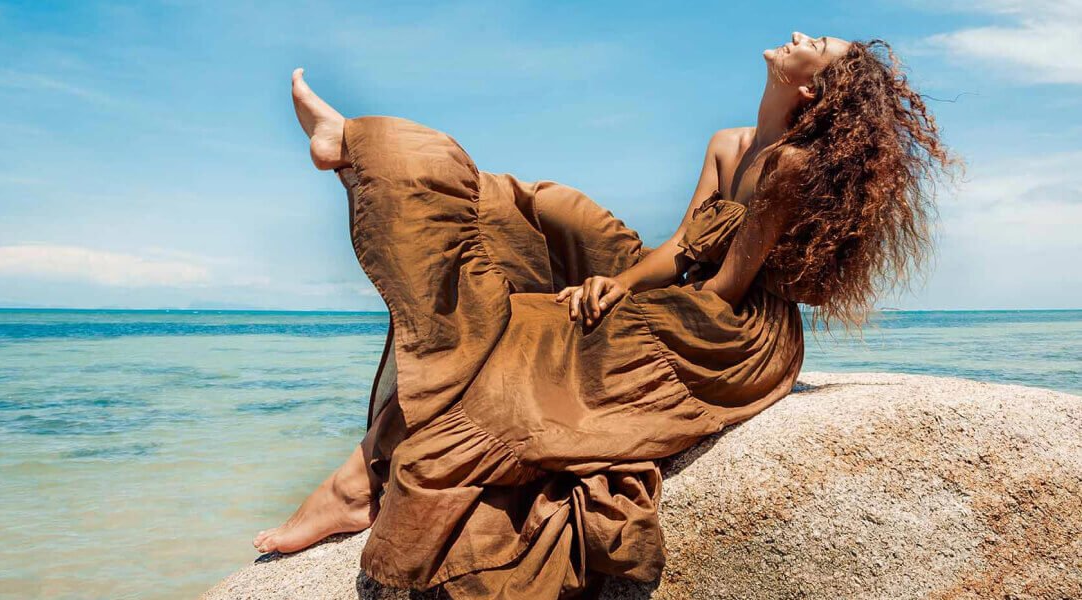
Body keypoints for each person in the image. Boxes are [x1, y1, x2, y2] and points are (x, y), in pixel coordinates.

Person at [252, 32, 952, 598]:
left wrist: (620, 304)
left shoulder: (790, 166)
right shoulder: (727, 142)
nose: (799, 33)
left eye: (816, 44)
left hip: (733, 332)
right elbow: (679, 249)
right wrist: (616, 281)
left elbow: (725, 287)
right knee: (540, 209)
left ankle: (356, 483)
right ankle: (356, 150)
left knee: (536, 336)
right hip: (694, 289)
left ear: (809, 90)